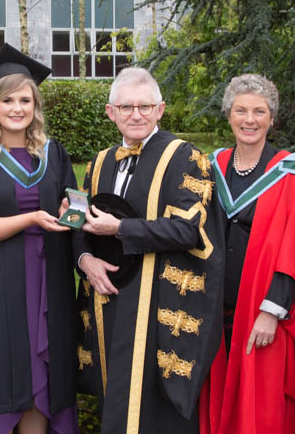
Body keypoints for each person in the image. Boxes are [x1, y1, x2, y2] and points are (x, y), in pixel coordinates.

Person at [72, 67, 225, 434]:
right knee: (117, 399)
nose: (136, 114)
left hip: (157, 301)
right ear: (111, 112)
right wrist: (84, 260)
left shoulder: (188, 159)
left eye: (145, 106)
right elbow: (75, 220)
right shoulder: (99, 162)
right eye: (126, 107)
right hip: (111, 301)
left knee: (155, 409)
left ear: (161, 110)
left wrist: (121, 228)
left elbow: (189, 229)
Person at [0, 43, 79, 434]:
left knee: (45, 366)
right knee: (2, 367)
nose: (17, 108)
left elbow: (74, 207)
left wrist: (70, 215)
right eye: (8, 100)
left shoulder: (53, 153)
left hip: (50, 280)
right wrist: (32, 218)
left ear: (35, 105)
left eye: (25, 100)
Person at [201, 74, 295, 434]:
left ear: (272, 118)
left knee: (260, 409)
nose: (249, 120)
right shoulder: (211, 167)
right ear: (229, 114)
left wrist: (271, 311)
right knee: (217, 403)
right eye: (240, 110)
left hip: (263, 313)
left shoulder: (291, 173)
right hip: (215, 307)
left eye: (259, 111)